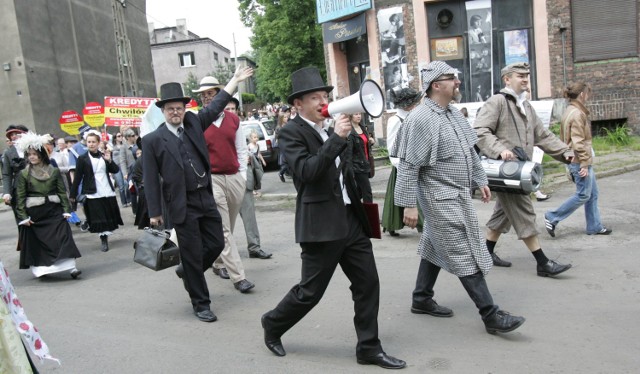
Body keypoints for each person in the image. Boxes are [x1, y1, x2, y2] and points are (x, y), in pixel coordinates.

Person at [261, 67, 406, 369]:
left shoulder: (329, 130)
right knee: (310, 293)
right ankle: (273, 323)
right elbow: (308, 173)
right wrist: (338, 139)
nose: (322, 102)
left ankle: (368, 347)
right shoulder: (291, 132)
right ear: (298, 104)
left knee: (367, 283)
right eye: (314, 97)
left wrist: (364, 204)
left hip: (351, 220)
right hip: (321, 226)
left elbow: (351, 172)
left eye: (324, 96)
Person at [394, 60, 525, 334]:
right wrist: (408, 205)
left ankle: (421, 298)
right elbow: (408, 166)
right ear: (436, 85)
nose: (457, 82)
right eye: (452, 78)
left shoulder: (452, 114)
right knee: (461, 251)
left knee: (433, 244)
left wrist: (480, 180)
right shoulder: (420, 119)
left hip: (458, 195)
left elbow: (469, 150)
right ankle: (490, 315)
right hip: (437, 198)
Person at [474, 62, 574, 275]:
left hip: (520, 171)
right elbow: (480, 130)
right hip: (507, 171)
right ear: (507, 79)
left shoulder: (526, 106)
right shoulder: (498, 101)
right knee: (524, 211)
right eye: (520, 75)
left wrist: (564, 151)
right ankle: (543, 263)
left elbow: (542, 135)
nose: (525, 79)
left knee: (503, 214)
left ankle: (486, 252)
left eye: (527, 75)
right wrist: (499, 149)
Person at [193, 72, 255, 293]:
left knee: (227, 226)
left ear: (220, 94)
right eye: (203, 95)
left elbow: (241, 149)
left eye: (210, 93)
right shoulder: (197, 121)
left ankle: (218, 263)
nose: (206, 98)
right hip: (213, 180)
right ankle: (239, 277)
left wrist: (242, 175)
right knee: (223, 229)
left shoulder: (234, 119)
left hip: (234, 177)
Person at [544, 82, 612, 237]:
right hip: (578, 160)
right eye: (588, 93)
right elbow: (578, 141)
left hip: (576, 159)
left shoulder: (569, 110)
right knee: (583, 194)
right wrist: (584, 163)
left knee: (592, 193)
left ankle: (594, 226)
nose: (588, 97)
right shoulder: (577, 114)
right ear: (582, 94)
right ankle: (552, 216)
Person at [14, 132, 82, 279]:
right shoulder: (24, 174)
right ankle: (42, 271)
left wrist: (66, 210)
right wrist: (23, 217)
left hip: (54, 210)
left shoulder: (54, 171)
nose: (31, 156)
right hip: (36, 213)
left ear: (41, 154)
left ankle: (71, 267)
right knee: (40, 243)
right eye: (29, 154)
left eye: (34, 154)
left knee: (64, 236)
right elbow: (19, 197)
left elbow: (62, 192)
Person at [225, 97, 273, 260]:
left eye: (233, 109)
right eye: (227, 109)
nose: (230, 112)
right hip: (223, 180)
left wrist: (248, 158)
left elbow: (243, 149)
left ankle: (254, 247)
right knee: (224, 222)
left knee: (249, 216)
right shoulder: (216, 127)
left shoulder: (238, 127)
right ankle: (222, 254)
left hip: (242, 179)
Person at [69, 130, 123, 252]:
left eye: (93, 142)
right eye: (89, 142)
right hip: (92, 191)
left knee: (107, 214)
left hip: (106, 189)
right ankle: (103, 239)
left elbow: (115, 170)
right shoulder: (82, 159)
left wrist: (109, 160)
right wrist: (73, 194)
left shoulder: (105, 155)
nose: (91, 144)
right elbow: (77, 177)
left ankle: (105, 233)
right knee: (98, 215)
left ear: (98, 143)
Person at [382, 87, 424, 237]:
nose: (417, 104)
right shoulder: (395, 120)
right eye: (414, 102)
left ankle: (423, 225)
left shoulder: (415, 117)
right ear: (407, 104)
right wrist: (400, 166)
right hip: (402, 165)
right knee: (401, 196)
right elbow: (392, 146)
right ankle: (392, 224)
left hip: (416, 163)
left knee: (418, 196)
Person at [2, 124, 29, 224]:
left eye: (16, 134)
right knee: (20, 212)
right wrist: (6, 192)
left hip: (35, 182)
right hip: (19, 185)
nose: (14, 136)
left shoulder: (30, 148)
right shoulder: (8, 153)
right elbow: (6, 174)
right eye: (11, 135)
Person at [347, 112, 375, 203]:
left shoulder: (363, 128)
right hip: (358, 167)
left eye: (359, 114)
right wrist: (351, 171)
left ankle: (349, 210)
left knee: (359, 192)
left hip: (366, 164)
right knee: (367, 192)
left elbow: (363, 146)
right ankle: (369, 216)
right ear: (350, 116)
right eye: (355, 114)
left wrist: (370, 142)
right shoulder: (350, 132)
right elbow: (349, 153)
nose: (359, 116)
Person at [111, 131, 131, 207]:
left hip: (124, 166)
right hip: (117, 168)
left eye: (121, 136)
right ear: (115, 138)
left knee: (126, 183)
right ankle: (124, 202)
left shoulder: (125, 145)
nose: (120, 137)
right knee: (121, 186)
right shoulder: (112, 147)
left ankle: (129, 200)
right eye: (118, 136)